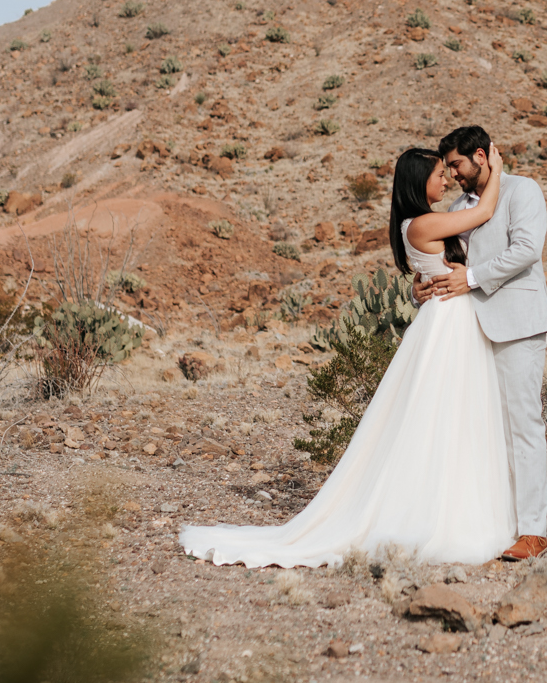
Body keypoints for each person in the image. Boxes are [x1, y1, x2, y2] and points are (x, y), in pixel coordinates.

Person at [178, 146, 516, 567]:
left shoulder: (414, 224)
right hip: (451, 322)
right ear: (418, 181)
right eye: (437, 175)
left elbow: (428, 271)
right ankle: (447, 514)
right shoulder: (424, 223)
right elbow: (483, 212)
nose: (445, 180)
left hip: (445, 316)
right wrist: (497, 168)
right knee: (449, 413)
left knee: (443, 413)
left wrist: (416, 289)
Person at [415, 124, 547, 562]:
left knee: (522, 425)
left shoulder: (522, 190)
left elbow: (527, 249)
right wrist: (420, 288)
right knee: (482, 430)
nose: (453, 174)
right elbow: (446, 264)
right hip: (471, 331)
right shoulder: (461, 207)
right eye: (449, 168)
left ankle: (533, 531)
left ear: (480, 156)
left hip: (516, 323)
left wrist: (471, 278)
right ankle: (494, 523)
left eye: (456, 164)